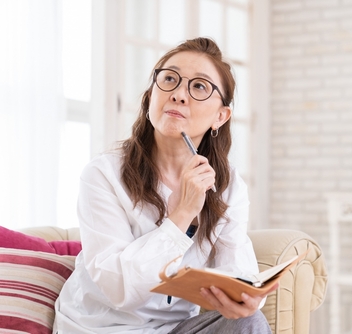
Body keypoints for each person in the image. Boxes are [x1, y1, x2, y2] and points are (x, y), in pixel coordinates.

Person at [53, 37, 276, 334]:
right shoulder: (103, 174)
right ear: (150, 97)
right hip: (100, 328)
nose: (179, 95)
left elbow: (236, 268)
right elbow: (119, 289)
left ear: (220, 116)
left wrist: (247, 300)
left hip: (174, 329)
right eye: (169, 79)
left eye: (199, 86)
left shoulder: (228, 185)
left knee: (250, 322)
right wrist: (181, 216)